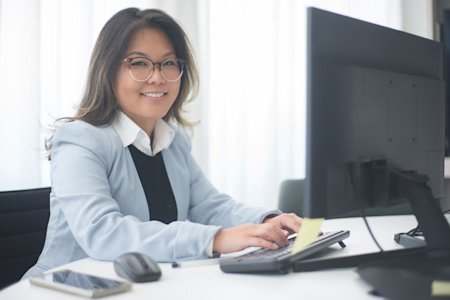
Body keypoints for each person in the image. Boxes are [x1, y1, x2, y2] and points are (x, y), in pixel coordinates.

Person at [23, 7, 302, 278]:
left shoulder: (173, 139)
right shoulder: (80, 141)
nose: (157, 77)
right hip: (70, 287)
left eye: (168, 63)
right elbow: (104, 233)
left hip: (143, 287)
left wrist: (264, 222)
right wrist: (216, 239)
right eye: (139, 63)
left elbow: (211, 206)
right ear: (107, 71)